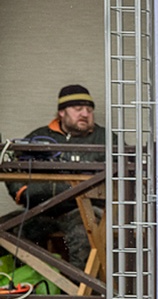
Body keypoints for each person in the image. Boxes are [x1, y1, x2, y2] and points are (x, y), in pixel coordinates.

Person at [5, 84, 107, 268]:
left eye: (89, 110)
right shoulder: (39, 137)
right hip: (43, 210)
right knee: (10, 228)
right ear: (61, 112)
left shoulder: (106, 139)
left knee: (84, 232)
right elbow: (15, 171)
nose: (85, 113)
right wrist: (23, 192)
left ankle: (78, 293)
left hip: (87, 210)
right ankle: (29, 289)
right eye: (78, 109)